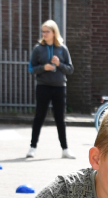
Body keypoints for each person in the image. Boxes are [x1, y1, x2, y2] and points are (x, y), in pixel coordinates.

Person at [27, 20, 74, 159]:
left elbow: (70, 69)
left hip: (59, 87)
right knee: (39, 117)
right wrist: (43, 68)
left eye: (47, 31)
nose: (44, 34)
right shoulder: (38, 49)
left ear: (54, 33)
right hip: (43, 86)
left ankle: (65, 149)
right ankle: (32, 147)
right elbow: (31, 68)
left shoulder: (62, 49)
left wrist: (59, 64)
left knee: (60, 118)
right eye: (43, 31)